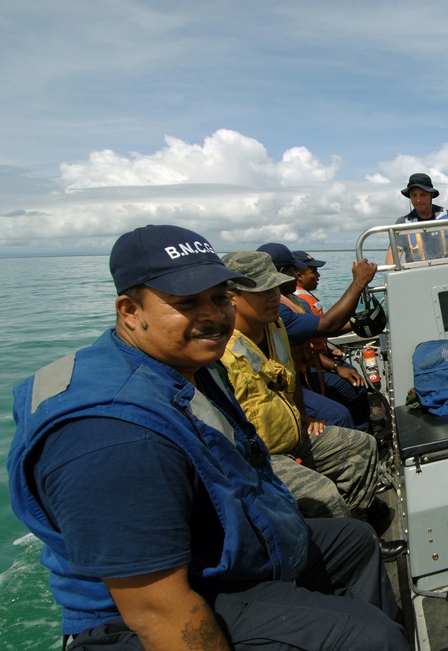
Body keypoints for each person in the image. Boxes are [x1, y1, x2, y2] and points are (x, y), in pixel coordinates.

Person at [7, 225, 407, 650]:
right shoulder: (113, 436)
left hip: (223, 552)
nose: (213, 315)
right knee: (366, 635)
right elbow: (157, 611)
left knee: (352, 542)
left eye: (219, 297)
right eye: (186, 303)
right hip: (147, 615)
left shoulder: (188, 364)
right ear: (129, 310)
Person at [220, 252, 403, 560]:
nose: (274, 297)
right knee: (323, 494)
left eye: (275, 289)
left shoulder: (274, 327)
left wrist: (303, 417)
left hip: (293, 434)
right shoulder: (219, 350)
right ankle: (351, 553)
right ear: (232, 297)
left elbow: (289, 380)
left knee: (362, 445)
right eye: (262, 291)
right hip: (258, 456)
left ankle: (355, 527)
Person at [258, 242, 375, 430]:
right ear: (280, 273)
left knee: (354, 389)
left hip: (298, 375)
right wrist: (359, 283)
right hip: (290, 381)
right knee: (341, 412)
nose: (296, 276)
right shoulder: (279, 309)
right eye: (293, 271)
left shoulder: (292, 302)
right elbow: (328, 326)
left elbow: (313, 337)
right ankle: (360, 439)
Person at [292, 249, 371, 430]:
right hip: (311, 366)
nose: (318, 275)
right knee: (354, 389)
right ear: (298, 275)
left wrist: (328, 350)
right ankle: (362, 433)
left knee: (354, 376)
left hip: (320, 357)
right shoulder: (299, 302)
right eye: (313, 271)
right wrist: (357, 324)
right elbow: (326, 327)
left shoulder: (302, 298)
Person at [385, 172, 448, 263]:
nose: (418, 200)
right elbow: (391, 262)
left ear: (431, 195)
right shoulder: (402, 224)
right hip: (417, 275)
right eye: (414, 195)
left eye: (423, 194)